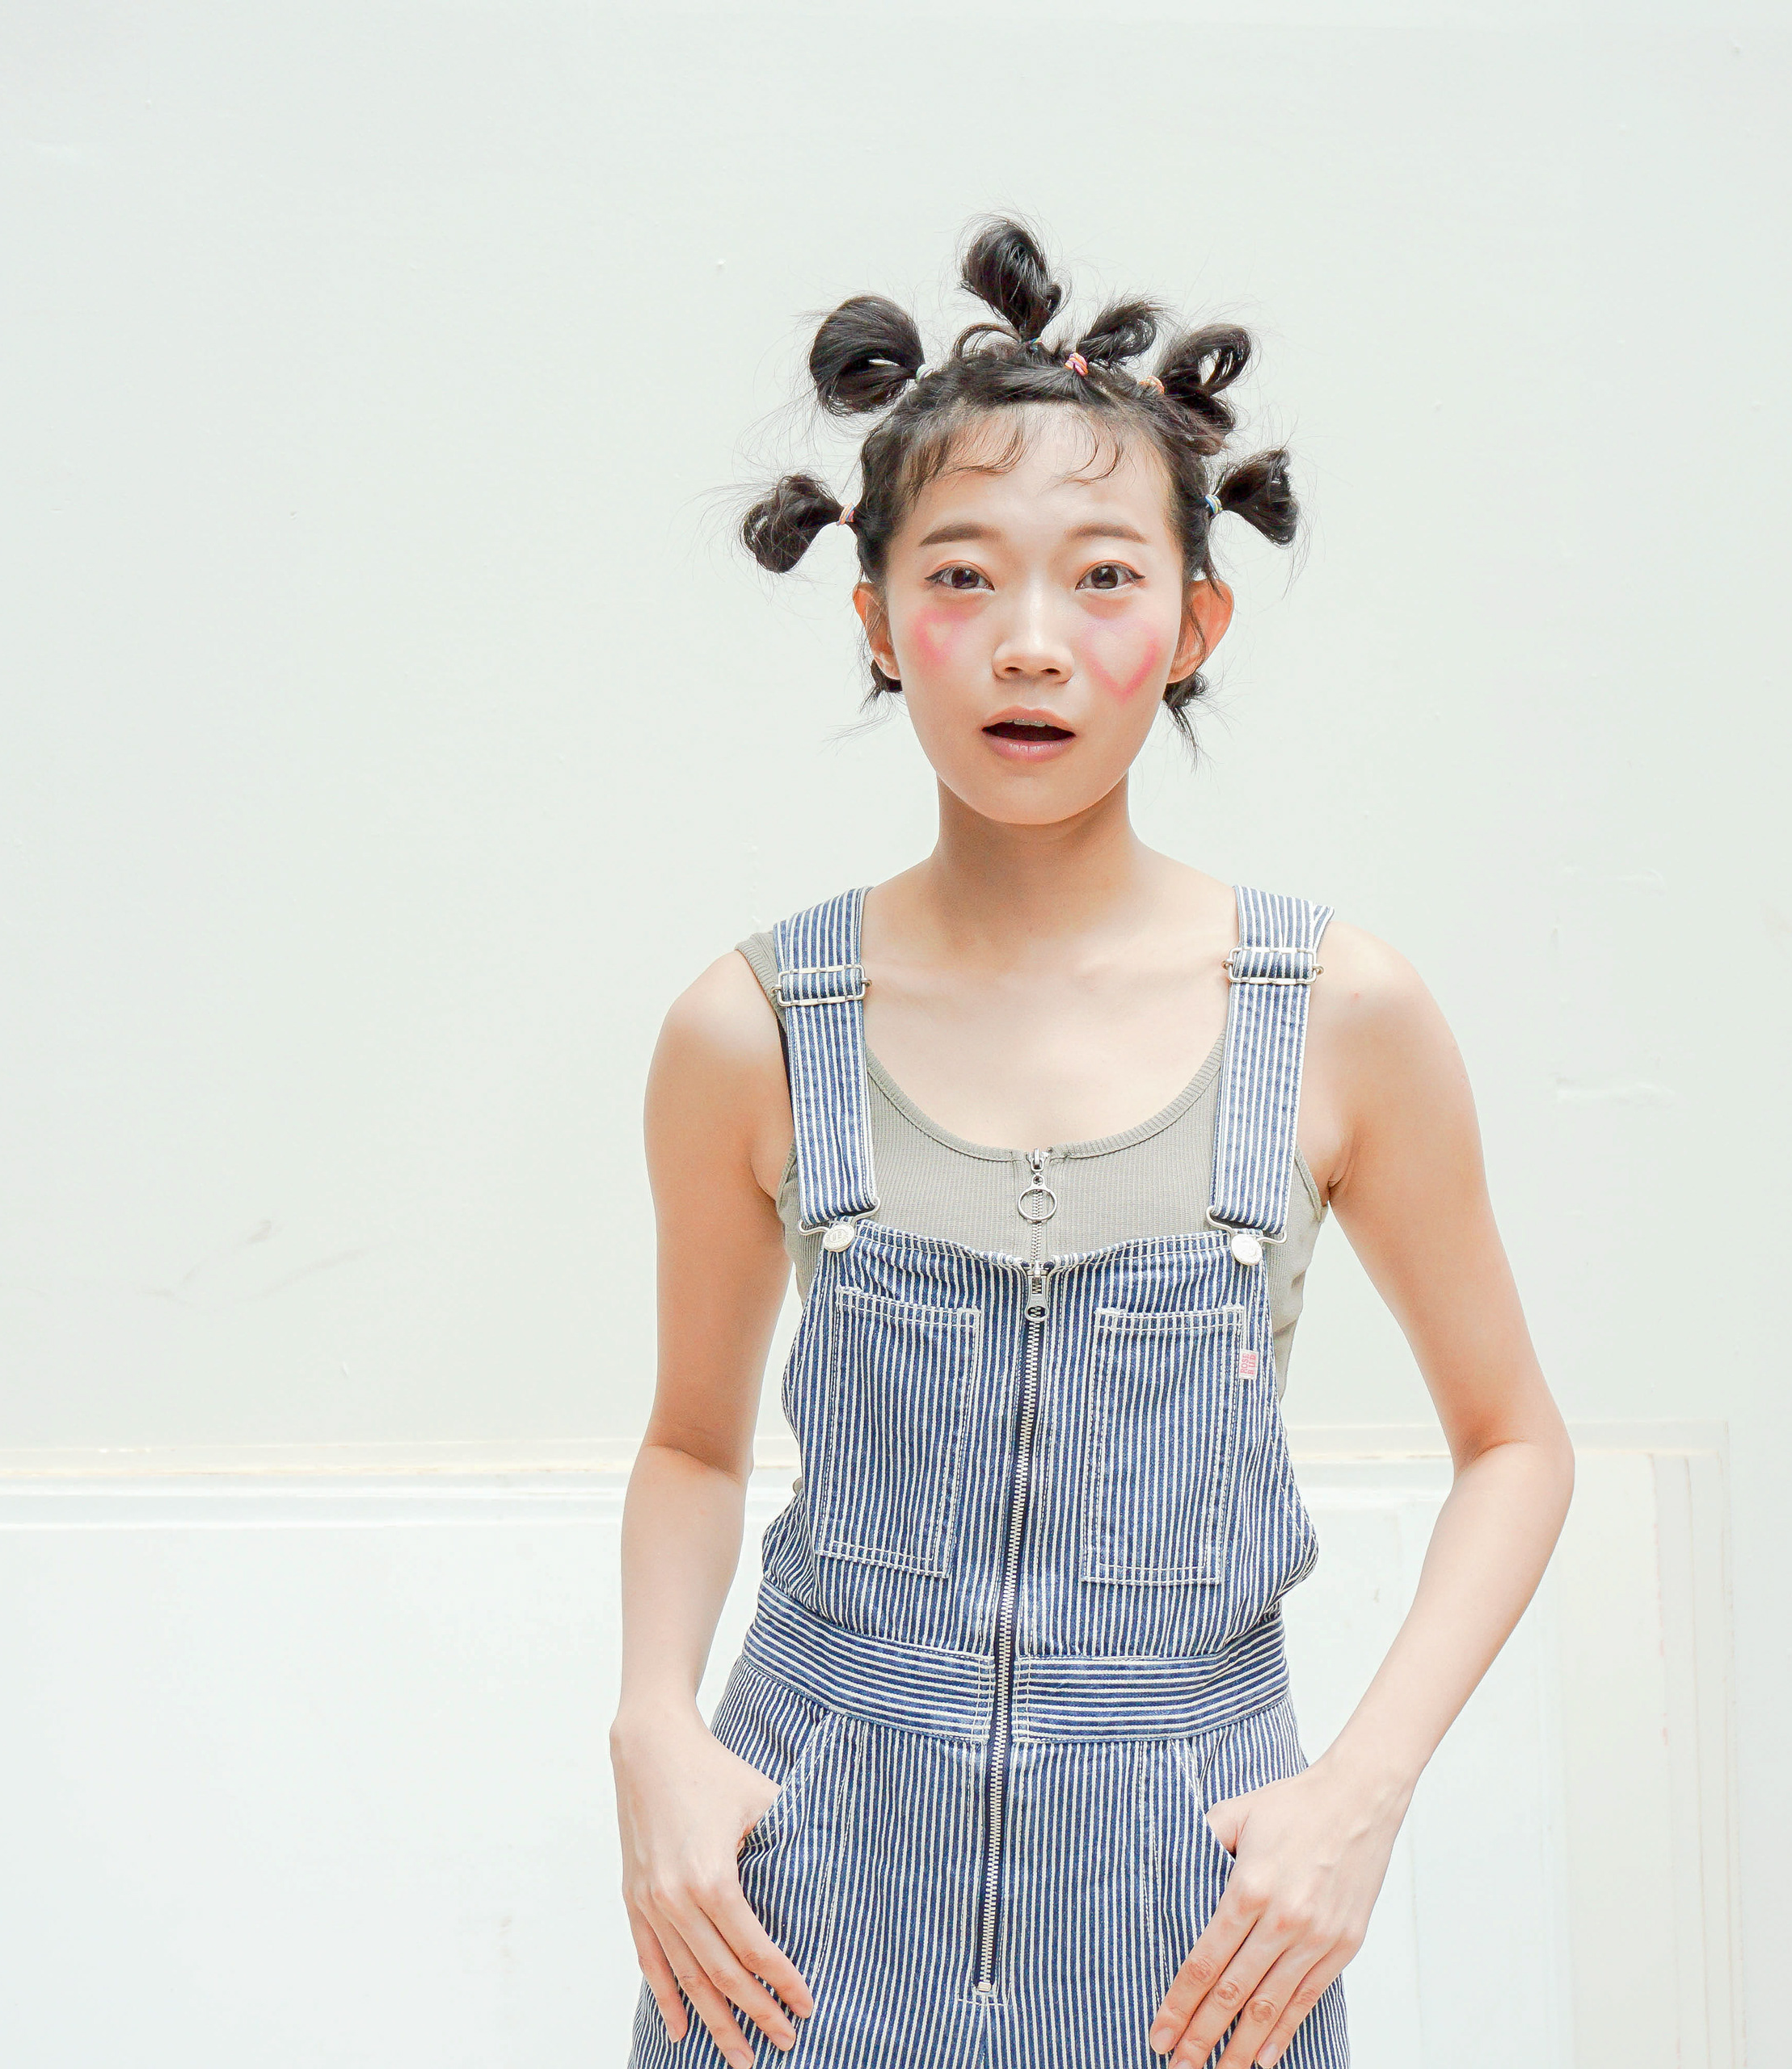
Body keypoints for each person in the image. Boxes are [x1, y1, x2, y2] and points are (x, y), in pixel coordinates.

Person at [609, 217, 1572, 2069]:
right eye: (963, 575)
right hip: (795, 1917)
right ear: (876, 618)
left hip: (1197, 1933)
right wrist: (654, 1722)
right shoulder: (754, 1027)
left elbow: (1517, 1442)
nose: (1032, 643)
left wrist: (1359, 1795)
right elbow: (691, 1442)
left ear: (1196, 623)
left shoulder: (1338, 1014)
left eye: (1104, 576)